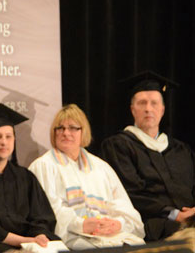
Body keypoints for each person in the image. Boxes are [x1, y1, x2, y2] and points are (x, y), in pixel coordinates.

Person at [28, 104, 145, 250]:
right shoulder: (44, 166)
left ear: (83, 132)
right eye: (60, 128)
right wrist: (81, 224)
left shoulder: (101, 167)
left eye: (72, 128)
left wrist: (118, 223)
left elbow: (123, 205)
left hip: (109, 234)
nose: (66, 133)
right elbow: (48, 211)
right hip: (72, 235)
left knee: (140, 247)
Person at [100, 71, 195, 241]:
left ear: (163, 109)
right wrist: (174, 214)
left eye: (154, 103)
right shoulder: (119, 146)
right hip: (152, 224)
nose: (148, 109)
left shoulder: (180, 149)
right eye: (142, 103)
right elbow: (130, 193)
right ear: (132, 109)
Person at [0, 103, 60, 253]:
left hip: (31, 243)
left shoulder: (25, 176)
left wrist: (40, 236)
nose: (4, 142)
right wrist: (24, 241)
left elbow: (42, 217)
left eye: (8, 136)